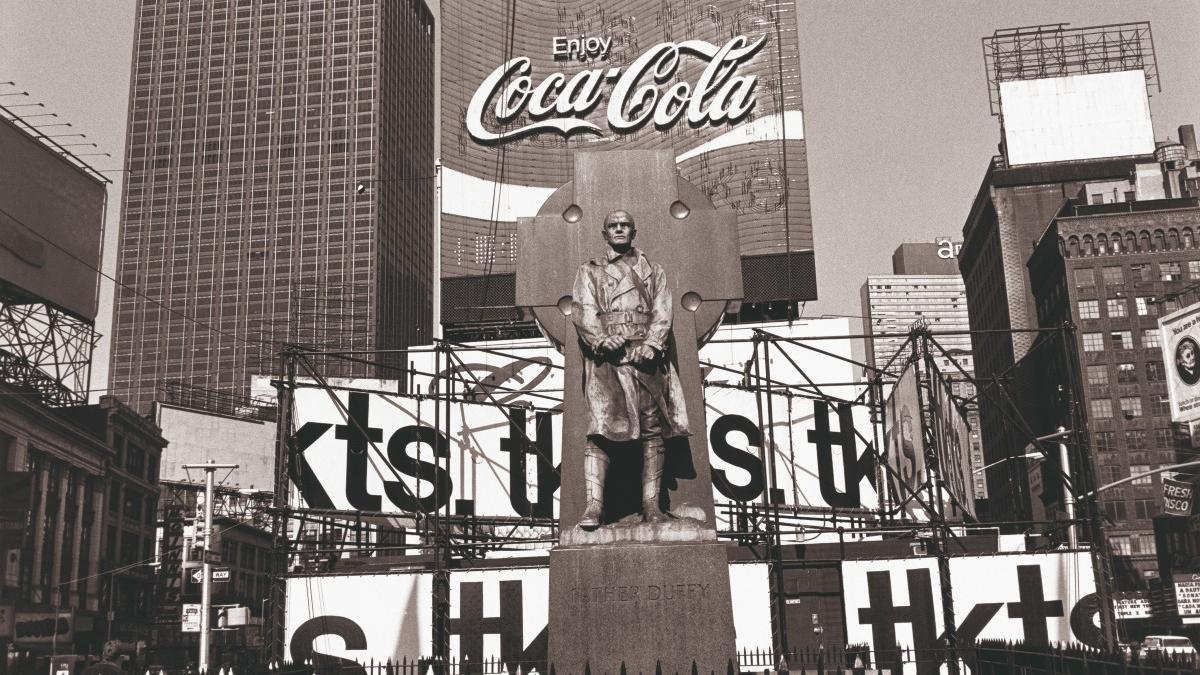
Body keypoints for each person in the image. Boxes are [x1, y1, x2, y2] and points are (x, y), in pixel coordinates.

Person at [570, 209, 690, 529]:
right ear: (604, 233)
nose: (619, 230)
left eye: (625, 226)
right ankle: (594, 507)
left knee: (652, 432)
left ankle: (651, 505)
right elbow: (583, 309)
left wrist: (652, 345)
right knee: (601, 431)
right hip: (607, 362)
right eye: (613, 226)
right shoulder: (589, 271)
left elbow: (662, 311)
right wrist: (600, 339)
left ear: (633, 232)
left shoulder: (653, 270)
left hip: (644, 360)